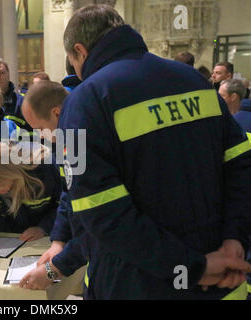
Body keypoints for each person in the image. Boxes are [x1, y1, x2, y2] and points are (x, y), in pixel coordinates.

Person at [20, 4, 251, 299]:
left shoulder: (85, 102)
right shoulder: (194, 81)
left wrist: (192, 267)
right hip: (221, 277)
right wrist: (234, 237)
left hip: (138, 284)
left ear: (79, 51)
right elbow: (240, 167)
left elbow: (102, 215)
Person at [20, 80, 87, 287]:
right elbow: (68, 193)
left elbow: (96, 222)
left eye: (40, 128)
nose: (40, 136)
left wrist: (54, 269)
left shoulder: (85, 141)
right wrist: (58, 241)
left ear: (56, 113)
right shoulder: (65, 140)